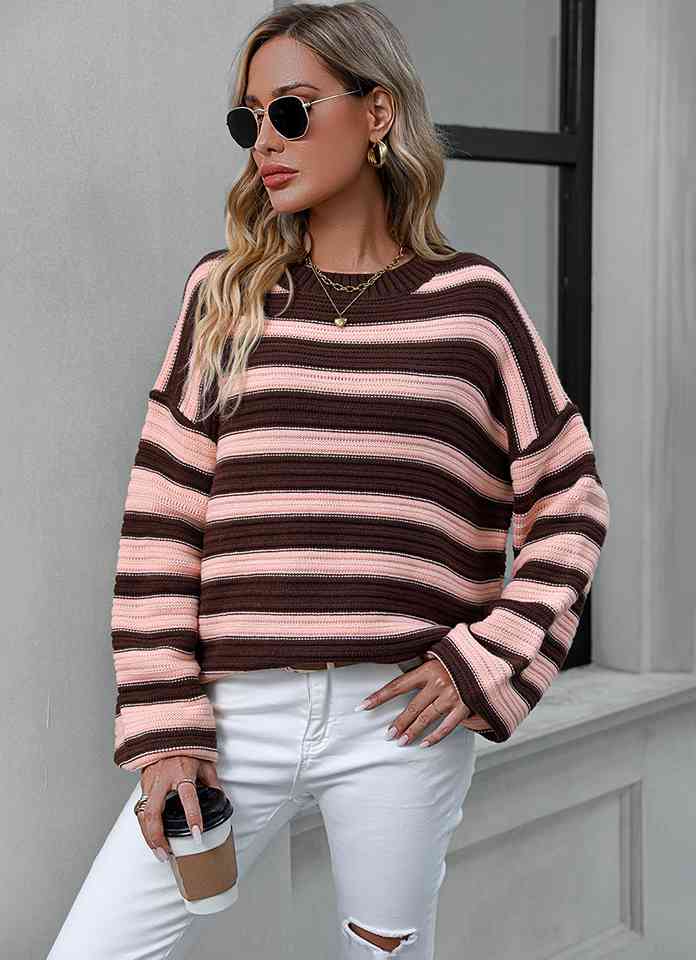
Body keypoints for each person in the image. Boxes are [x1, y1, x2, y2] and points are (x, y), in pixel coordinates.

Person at [47, 3, 610, 958]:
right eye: (250, 119)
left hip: (399, 720)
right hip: (233, 718)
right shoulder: (225, 296)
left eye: (292, 110)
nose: (265, 141)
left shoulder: (474, 307)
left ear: (377, 111)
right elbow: (161, 521)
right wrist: (165, 726)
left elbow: (571, 495)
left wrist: (492, 659)